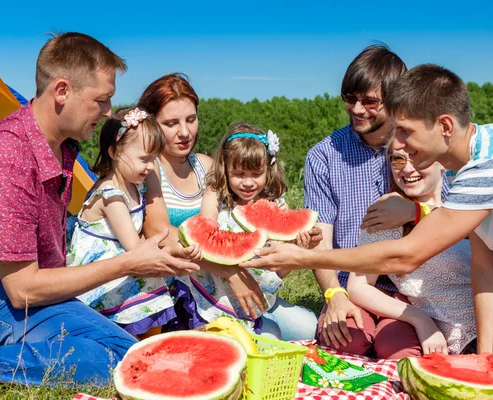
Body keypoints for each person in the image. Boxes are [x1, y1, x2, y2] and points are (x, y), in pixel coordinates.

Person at [0, 33, 198, 386]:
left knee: (129, 353)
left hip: (32, 290)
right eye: (101, 101)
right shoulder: (9, 158)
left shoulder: (62, 145)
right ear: (62, 91)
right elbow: (23, 290)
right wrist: (128, 263)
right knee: (118, 362)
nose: (106, 113)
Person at [242, 64, 493, 362]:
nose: (398, 143)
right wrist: (486, 359)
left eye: (405, 132)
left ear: (445, 126)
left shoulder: (485, 168)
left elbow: (407, 254)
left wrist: (304, 258)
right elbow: (485, 266)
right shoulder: (471, 164)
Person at [303, 44, 442, 350]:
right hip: (348, 288)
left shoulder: (424, 147)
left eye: (369, 102)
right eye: (350, 99)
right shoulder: (323, 157)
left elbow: (454, 214)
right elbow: (320, 244)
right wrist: (333, 296)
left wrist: (414, 211)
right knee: (344, 346)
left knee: (403, 354)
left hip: (414, 290)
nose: (356, 109)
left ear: (395, 101)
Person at [346, 141, 493, 369]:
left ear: (443, 162)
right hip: (484, 339)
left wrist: (417, 212)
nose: (408, 168)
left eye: (418, 156)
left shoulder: (462, 209)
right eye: (398, 159)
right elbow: (358, 286)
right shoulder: (387, 215)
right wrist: (418, 317)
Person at [137, 74, 273, 333]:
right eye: (171, 123)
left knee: (304, 326)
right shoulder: (148, 170)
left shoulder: (207, 167)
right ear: (151, 124)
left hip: (223, 289)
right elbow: (161, 236)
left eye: (191, 119)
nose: (185, 132)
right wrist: (229, 271)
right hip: (173, 296)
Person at [66, 107, 199, 338]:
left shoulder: (134, 186)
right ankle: (137, 346)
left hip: (123, 262)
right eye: (144, 159)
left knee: (157, 290)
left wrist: (178, 248)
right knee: (150, 291)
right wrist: (173, 257)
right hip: (101, 276)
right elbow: (134, 248)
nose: (150, 167)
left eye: (153, 159)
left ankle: (146, 345)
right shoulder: (111, 195)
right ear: (115, 152)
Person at [189, 121, 319, 339]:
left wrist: (299, 248)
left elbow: (277, 272)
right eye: (239, 173)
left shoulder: (276, 205)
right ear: (225, 168)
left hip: (262, 300)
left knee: (312, 328)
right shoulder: (215, 196)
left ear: (268, 169)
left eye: (256, 173)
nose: (248, 183)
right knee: (271, 337)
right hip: (218, 302)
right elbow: (205, 239)